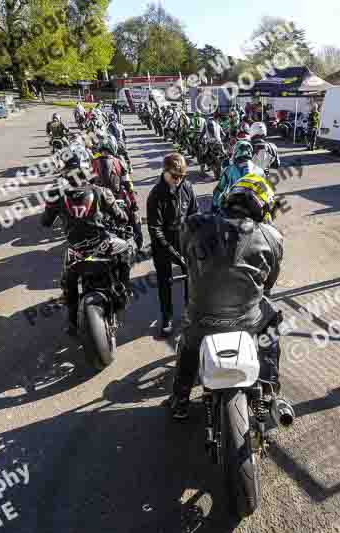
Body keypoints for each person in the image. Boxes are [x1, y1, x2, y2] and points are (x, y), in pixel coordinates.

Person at [167, 173, 284, 420]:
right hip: (248, 320)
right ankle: (270, 387)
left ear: (230, 198)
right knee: (272, 321)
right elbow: (270, 281)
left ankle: (180, 398)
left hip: (202, 319)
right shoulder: (271, 237)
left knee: (188, 343)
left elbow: (186, 257)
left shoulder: (194, 224)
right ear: (261, 208)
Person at [40, 174, 134, 337]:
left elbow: (45, 222)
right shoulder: (101, 191)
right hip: (103, 246)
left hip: (77, 251)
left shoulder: (57, 197)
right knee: (128, 248)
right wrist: (124, 217)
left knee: (68, 283)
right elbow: (121, 217)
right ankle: (124, 288)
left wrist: (52, 207)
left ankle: (72, 321)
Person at [147, 153, 198, 336]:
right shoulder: (155, 195)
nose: (178, 180)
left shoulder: (187, 188)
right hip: (163, 244)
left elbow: (194, 215)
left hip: (183, 239)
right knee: (164, 280)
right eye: (174, 176)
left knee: (191, 277)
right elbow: (155, 230)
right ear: (165, 172)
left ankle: (189, 312)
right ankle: (167, 316)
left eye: (181, 177)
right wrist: (173, 253)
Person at [92, 138, 143, 251]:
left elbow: (87, 183)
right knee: (134, 217)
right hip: (117, 199)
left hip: (99, 201)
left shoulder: (93, 163)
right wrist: (133, 203)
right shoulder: (118, 161)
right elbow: (127, 184)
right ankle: (139, 244)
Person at [212, 140, 265, 213]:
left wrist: (214, 207)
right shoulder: (260, 170)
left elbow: (219, 189)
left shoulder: (228, 169)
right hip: (255, 207)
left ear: (236, 152)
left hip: (234, 206)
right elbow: (264, 191)